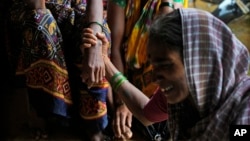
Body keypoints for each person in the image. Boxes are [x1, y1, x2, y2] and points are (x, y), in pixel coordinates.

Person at [82, 8, 250, 141]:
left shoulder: (243, 114)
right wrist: (105, 62)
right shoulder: (184, 97)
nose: (155, 78)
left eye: (166, 65)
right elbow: (146, 113)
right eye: (154, 66)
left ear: (199, 61)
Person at [8, 0, 112, 140]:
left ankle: (93, 120)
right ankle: (40, 111)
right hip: (30, 8)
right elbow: (36, 5)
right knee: (40, 22)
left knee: (100, 29)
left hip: (69, 7)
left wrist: (94, 44)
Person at [107, 0, 188, 140]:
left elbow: (164, 43)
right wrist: (122, 102)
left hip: (154, 92)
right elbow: (115, 49)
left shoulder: (174, 5)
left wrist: (166, 5)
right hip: (124, 73)